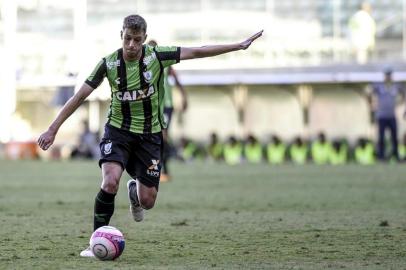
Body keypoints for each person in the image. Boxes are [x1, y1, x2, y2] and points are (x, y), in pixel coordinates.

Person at [37, 14, 263, 257]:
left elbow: (198, 51)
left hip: (149, 136)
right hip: (118, 131)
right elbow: (79, 96)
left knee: (148, 201)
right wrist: (53, 128)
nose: (131, 45)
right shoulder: (109, 64)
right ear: (121, 36)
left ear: (145, 38)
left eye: (137, 40)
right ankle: (96, 241)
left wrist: (237, 46)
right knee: (110, 180)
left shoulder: (157, 56)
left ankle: (135, 192)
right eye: (127, 39)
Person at [147, 39, 188, 182]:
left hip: (166, 104)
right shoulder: (143, 64)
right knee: (154, 137)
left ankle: (163, 169)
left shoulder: (165, 62)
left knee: (162, 136)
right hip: (152, 105)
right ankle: (159, 166)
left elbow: (177, 81)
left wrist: (184, 97)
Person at [368, 67, 406, 161]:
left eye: (389, 75)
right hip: (381, 116)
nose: (388, 77)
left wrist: (400, 102)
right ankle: (381, 156)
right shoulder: (379, 86)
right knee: (381, 137)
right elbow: (369, 92)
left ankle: (395, 155)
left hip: (392, 115)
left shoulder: (395, 86)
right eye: (386, 75)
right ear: (384, 76)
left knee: (394, 137)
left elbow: (403, 93)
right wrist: (372, 105)